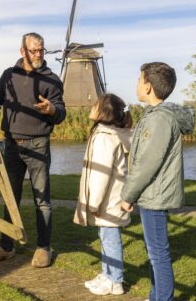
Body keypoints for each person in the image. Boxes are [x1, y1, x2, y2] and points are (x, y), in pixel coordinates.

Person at [0, 32, 66, 268]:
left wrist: (51, 110)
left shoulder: (51, 79)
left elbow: (61, 112)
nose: (38, 54)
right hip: (12, 145)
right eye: (34, 50)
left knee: (42, 200)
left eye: (41, 49)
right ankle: (7, 247)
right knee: (10, 198)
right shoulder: (9, 75)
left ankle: (43, 248)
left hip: (38, 144)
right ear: (22, 51)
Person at [120, 62, 194, 301]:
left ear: (149, 86)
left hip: (155, 195)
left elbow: (147, 163)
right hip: (153, 193)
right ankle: (156, 296)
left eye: (139, 80)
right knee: (155, 252)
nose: (137, 85)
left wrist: (128, 195)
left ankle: (162, 298)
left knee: (158, 254)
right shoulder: (155, 115)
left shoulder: (159, 120)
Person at [73, 93, 133, 296]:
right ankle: (108, 273)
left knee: (110, 237)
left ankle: (115, 281)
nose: (92, 106)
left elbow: (102, 174)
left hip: (108, 200)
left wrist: (93, 203)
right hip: (111, 199)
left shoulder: (105, 138)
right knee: (106, 235)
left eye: (95, 104)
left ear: (104, 111)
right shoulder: (107, 133)